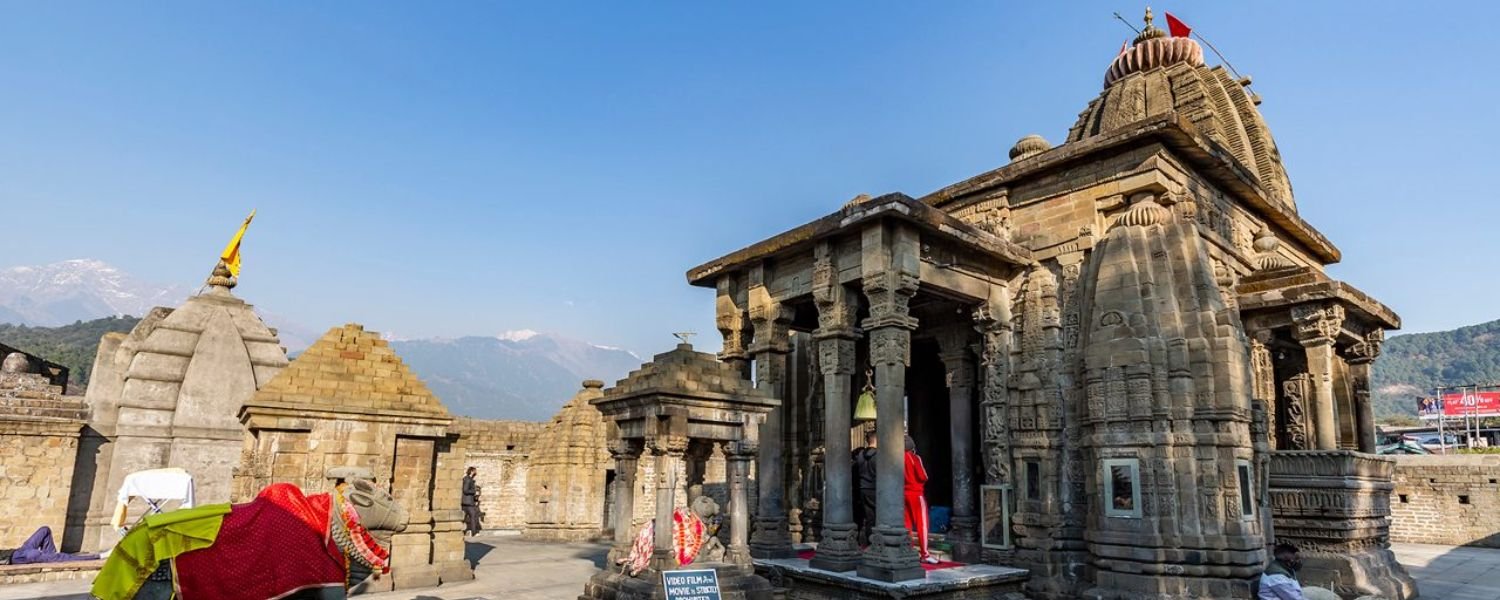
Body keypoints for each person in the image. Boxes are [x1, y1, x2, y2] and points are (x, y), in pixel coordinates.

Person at [903, 434, 937, 564]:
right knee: (922, 524)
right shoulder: (914, 458)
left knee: (907, 525)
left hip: (903, 494)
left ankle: (909, 550)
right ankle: (925, 553)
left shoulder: (897, 459)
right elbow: (923, 476)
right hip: (916, 494)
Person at [6, 526, 98, 564]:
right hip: (15, 558)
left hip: (18, 551)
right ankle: (96, 556)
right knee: (35, 554)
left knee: (45, 530)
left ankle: (51, 557)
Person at [852, 430, 878, 545]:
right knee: (878, 517)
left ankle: (869, 541)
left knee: (869, 518)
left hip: (863, 488)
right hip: (875, 488)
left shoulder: (861, 455)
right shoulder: (878, 455)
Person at [462, 466, 483, 536]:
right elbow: (465, 490)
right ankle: (473, 532)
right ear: (471, 471)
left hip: (466, 502)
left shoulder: (468, 479)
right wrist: (474, 491)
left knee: (464, 517)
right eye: (475, 471)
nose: (476, 473)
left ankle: (464, 531)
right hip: (468, 502)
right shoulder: (468, 480)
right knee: (473, 516)